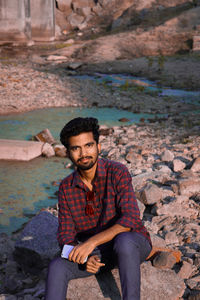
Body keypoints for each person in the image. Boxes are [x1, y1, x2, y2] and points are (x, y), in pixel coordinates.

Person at [45, 117, 152, 300]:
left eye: (88, 145)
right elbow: (65, 238)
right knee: (56, 266)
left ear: (98, 147)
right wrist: (85, 258)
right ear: (68, 153)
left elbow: (130, 219)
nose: (83, 153)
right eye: (76, 148)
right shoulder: (66, 187)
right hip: (94, 255)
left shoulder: (117, 172)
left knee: (124, 241)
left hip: (131, 245)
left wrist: (90, 243)